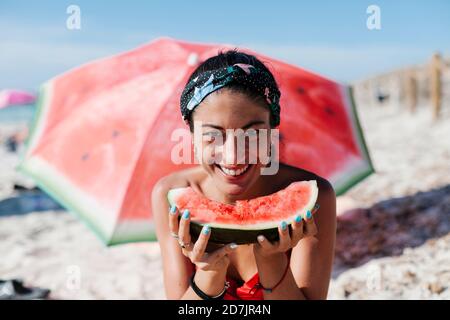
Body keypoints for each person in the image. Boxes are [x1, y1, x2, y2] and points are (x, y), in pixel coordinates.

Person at [152, 50, 336, 300]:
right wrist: (208, 273)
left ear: (272, 129)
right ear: (192, 136)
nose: (233, 157)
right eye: (212, 136)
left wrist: (272, 261)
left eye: (252, 134)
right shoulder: (170, 195)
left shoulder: (317, 198)